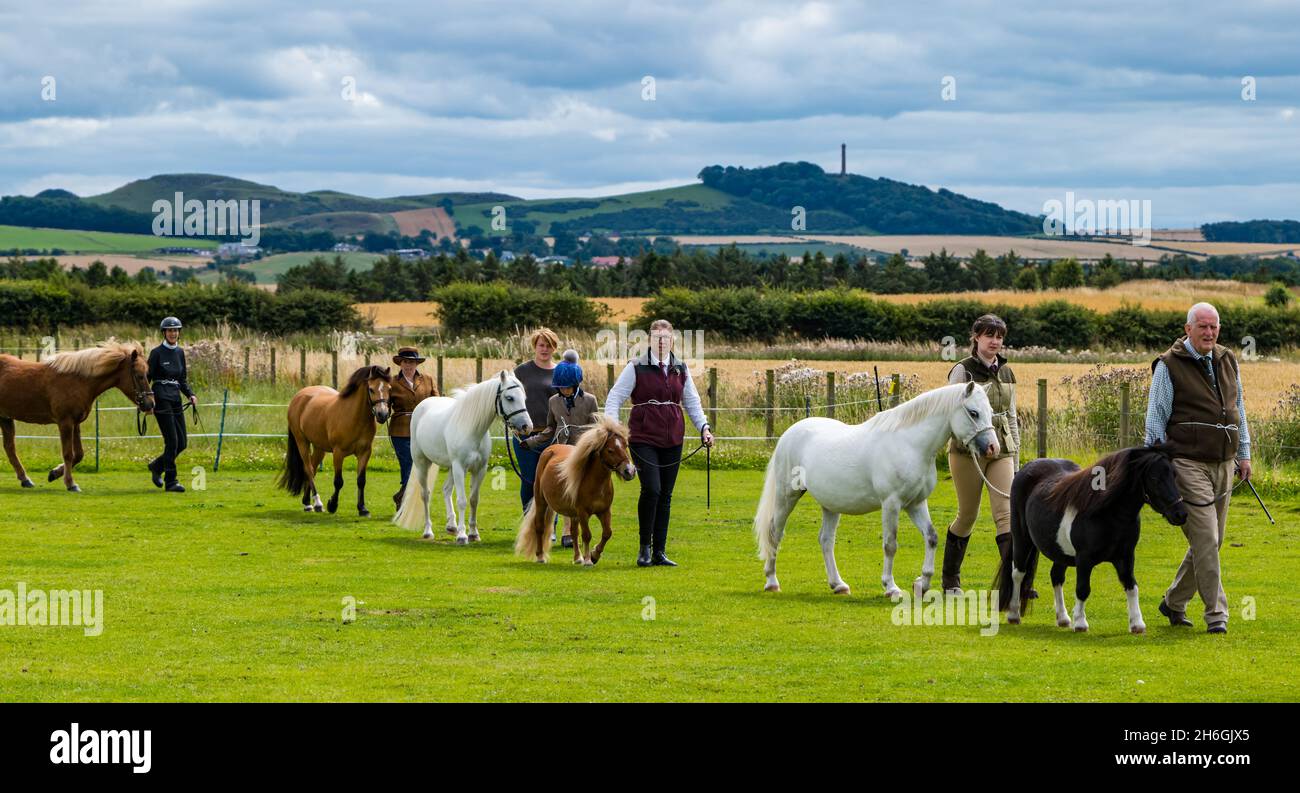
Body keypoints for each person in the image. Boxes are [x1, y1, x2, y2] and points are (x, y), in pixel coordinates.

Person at [1144, 302, 1251, 635]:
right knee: (1206, 537)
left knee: (1211, 542)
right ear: (1187, 328)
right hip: (1186, 463)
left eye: (1214, 327)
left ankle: (1173, 601)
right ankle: (1217, 614)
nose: (1209, 332)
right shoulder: (1169, 365)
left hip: (1224, 463)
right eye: (1202, 326)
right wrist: (1157, 470)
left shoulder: (1228, 359)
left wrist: (1244, 452)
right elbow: (1155, 421)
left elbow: (1239, 409)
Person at [604, 319, 713, 567]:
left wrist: (704, 428)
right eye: (657, 338)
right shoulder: (636, 367)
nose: (662, 342)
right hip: (643, 437)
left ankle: (659, 552)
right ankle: (644, 548)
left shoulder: (681, 368)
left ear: (672, 339)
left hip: (673, 438)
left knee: (665, 494)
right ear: (650, 340)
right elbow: (615, 397)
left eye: (666, 338)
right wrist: (612, 430)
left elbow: (692, 402)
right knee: (651, 489)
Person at [942, 314, 1024, 595]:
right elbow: (951, 413)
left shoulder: (1007, 372)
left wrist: (1015, 457)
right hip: (967, 451)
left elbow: (1012, 416)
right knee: (967, 515)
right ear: (976, 337)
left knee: (1006, 514)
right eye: (989, 335)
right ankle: (950, 579)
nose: (995, 341)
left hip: (1002, 447)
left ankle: (1016, 582)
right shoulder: (962, 371)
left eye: (999, 337)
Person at [524, 349, 600, 548]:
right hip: (561, 449)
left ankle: (570, 530)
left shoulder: (590, 400)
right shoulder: (553, 401)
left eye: (567, 387)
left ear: (575, 384)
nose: (564, 391)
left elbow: (595, 427)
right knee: (559, 490)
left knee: (579, 492)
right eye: (561, 388)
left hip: (582, 452)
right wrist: (531, 441)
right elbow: (550, 428)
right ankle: (556, 529)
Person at [512, 328, 559, 517]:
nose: (544, 349)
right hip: (525, 436)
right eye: (541, 345)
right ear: (535, 347)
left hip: (552, 435)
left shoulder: (560, 371)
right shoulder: (521, 371)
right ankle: (529, 520)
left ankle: (550, 526)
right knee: (529, 479)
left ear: (554, 348)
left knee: (550, 481)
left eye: (549, 345)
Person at [146, 316, 196, 493]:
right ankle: (171, 481)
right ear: (164, 333)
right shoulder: (156, 353)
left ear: (179, 333)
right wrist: (147, 404)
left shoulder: (180, 352)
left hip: (175, 397)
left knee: (182, 443)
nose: (173, 333)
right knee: (172, 441)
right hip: (161, 398)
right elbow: (147, 379)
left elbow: (182, 379)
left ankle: (156, 466)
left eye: (176, 330)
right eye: (170, 330)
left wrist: (190, 394)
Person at [388, 346, 437, 508]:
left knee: (421, 465)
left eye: (412, 362)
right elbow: (384, 404)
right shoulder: (392, 382)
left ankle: (401, 496)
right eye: (405, 362)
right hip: (401, 428)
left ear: (417, 364)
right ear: (400, 363)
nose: (408, 365)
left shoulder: (427, 379)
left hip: (423, 428)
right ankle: (406, 500)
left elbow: (436, 400)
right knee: (408, 463)